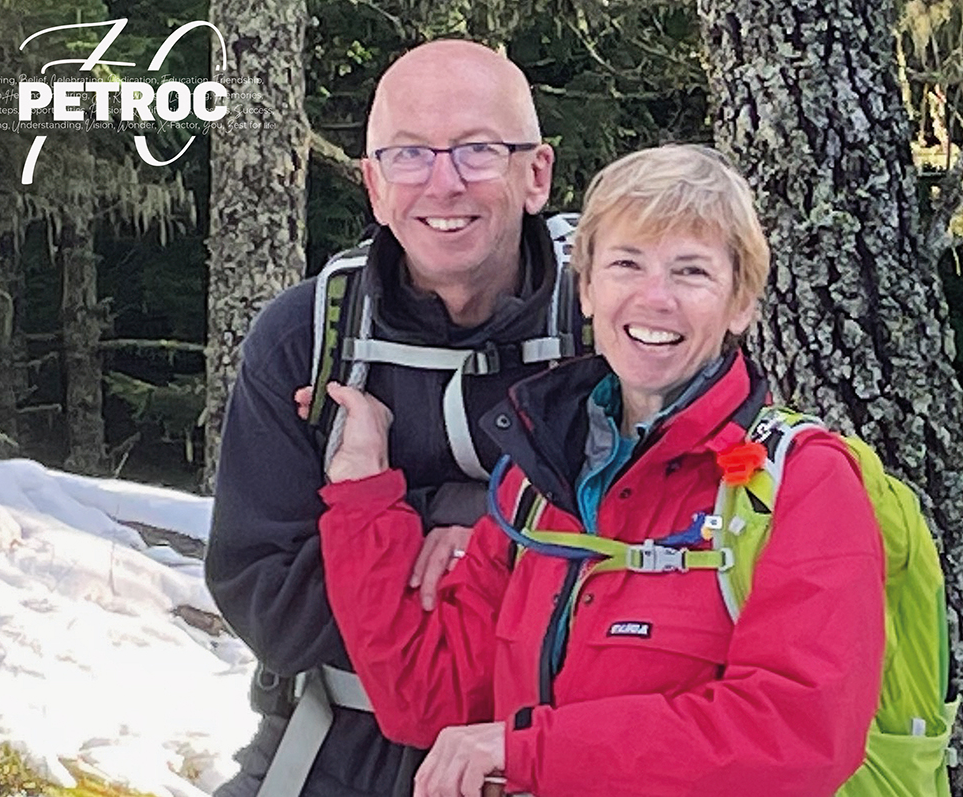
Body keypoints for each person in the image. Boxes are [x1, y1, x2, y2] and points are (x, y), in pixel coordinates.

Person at [314, 144, 887, 796]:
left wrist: (533, 752)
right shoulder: (537, 480)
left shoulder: (802, 485)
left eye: (691, 271)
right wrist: (361, 489)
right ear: (586, 289)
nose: (655, 297)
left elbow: (798, 735)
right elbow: (428, 694)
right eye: (626, 263)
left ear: (741, 304)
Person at [205, 39, 587, 797]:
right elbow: (268, 602)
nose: (443, 184)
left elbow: (651, 578)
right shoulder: (309, 336)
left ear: (535, 172)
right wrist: (475, 540)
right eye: (410, 154)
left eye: (478, 149)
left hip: (552, 744)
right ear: (374, 184)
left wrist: (469, 530)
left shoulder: (608, 328)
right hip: (330, 744)